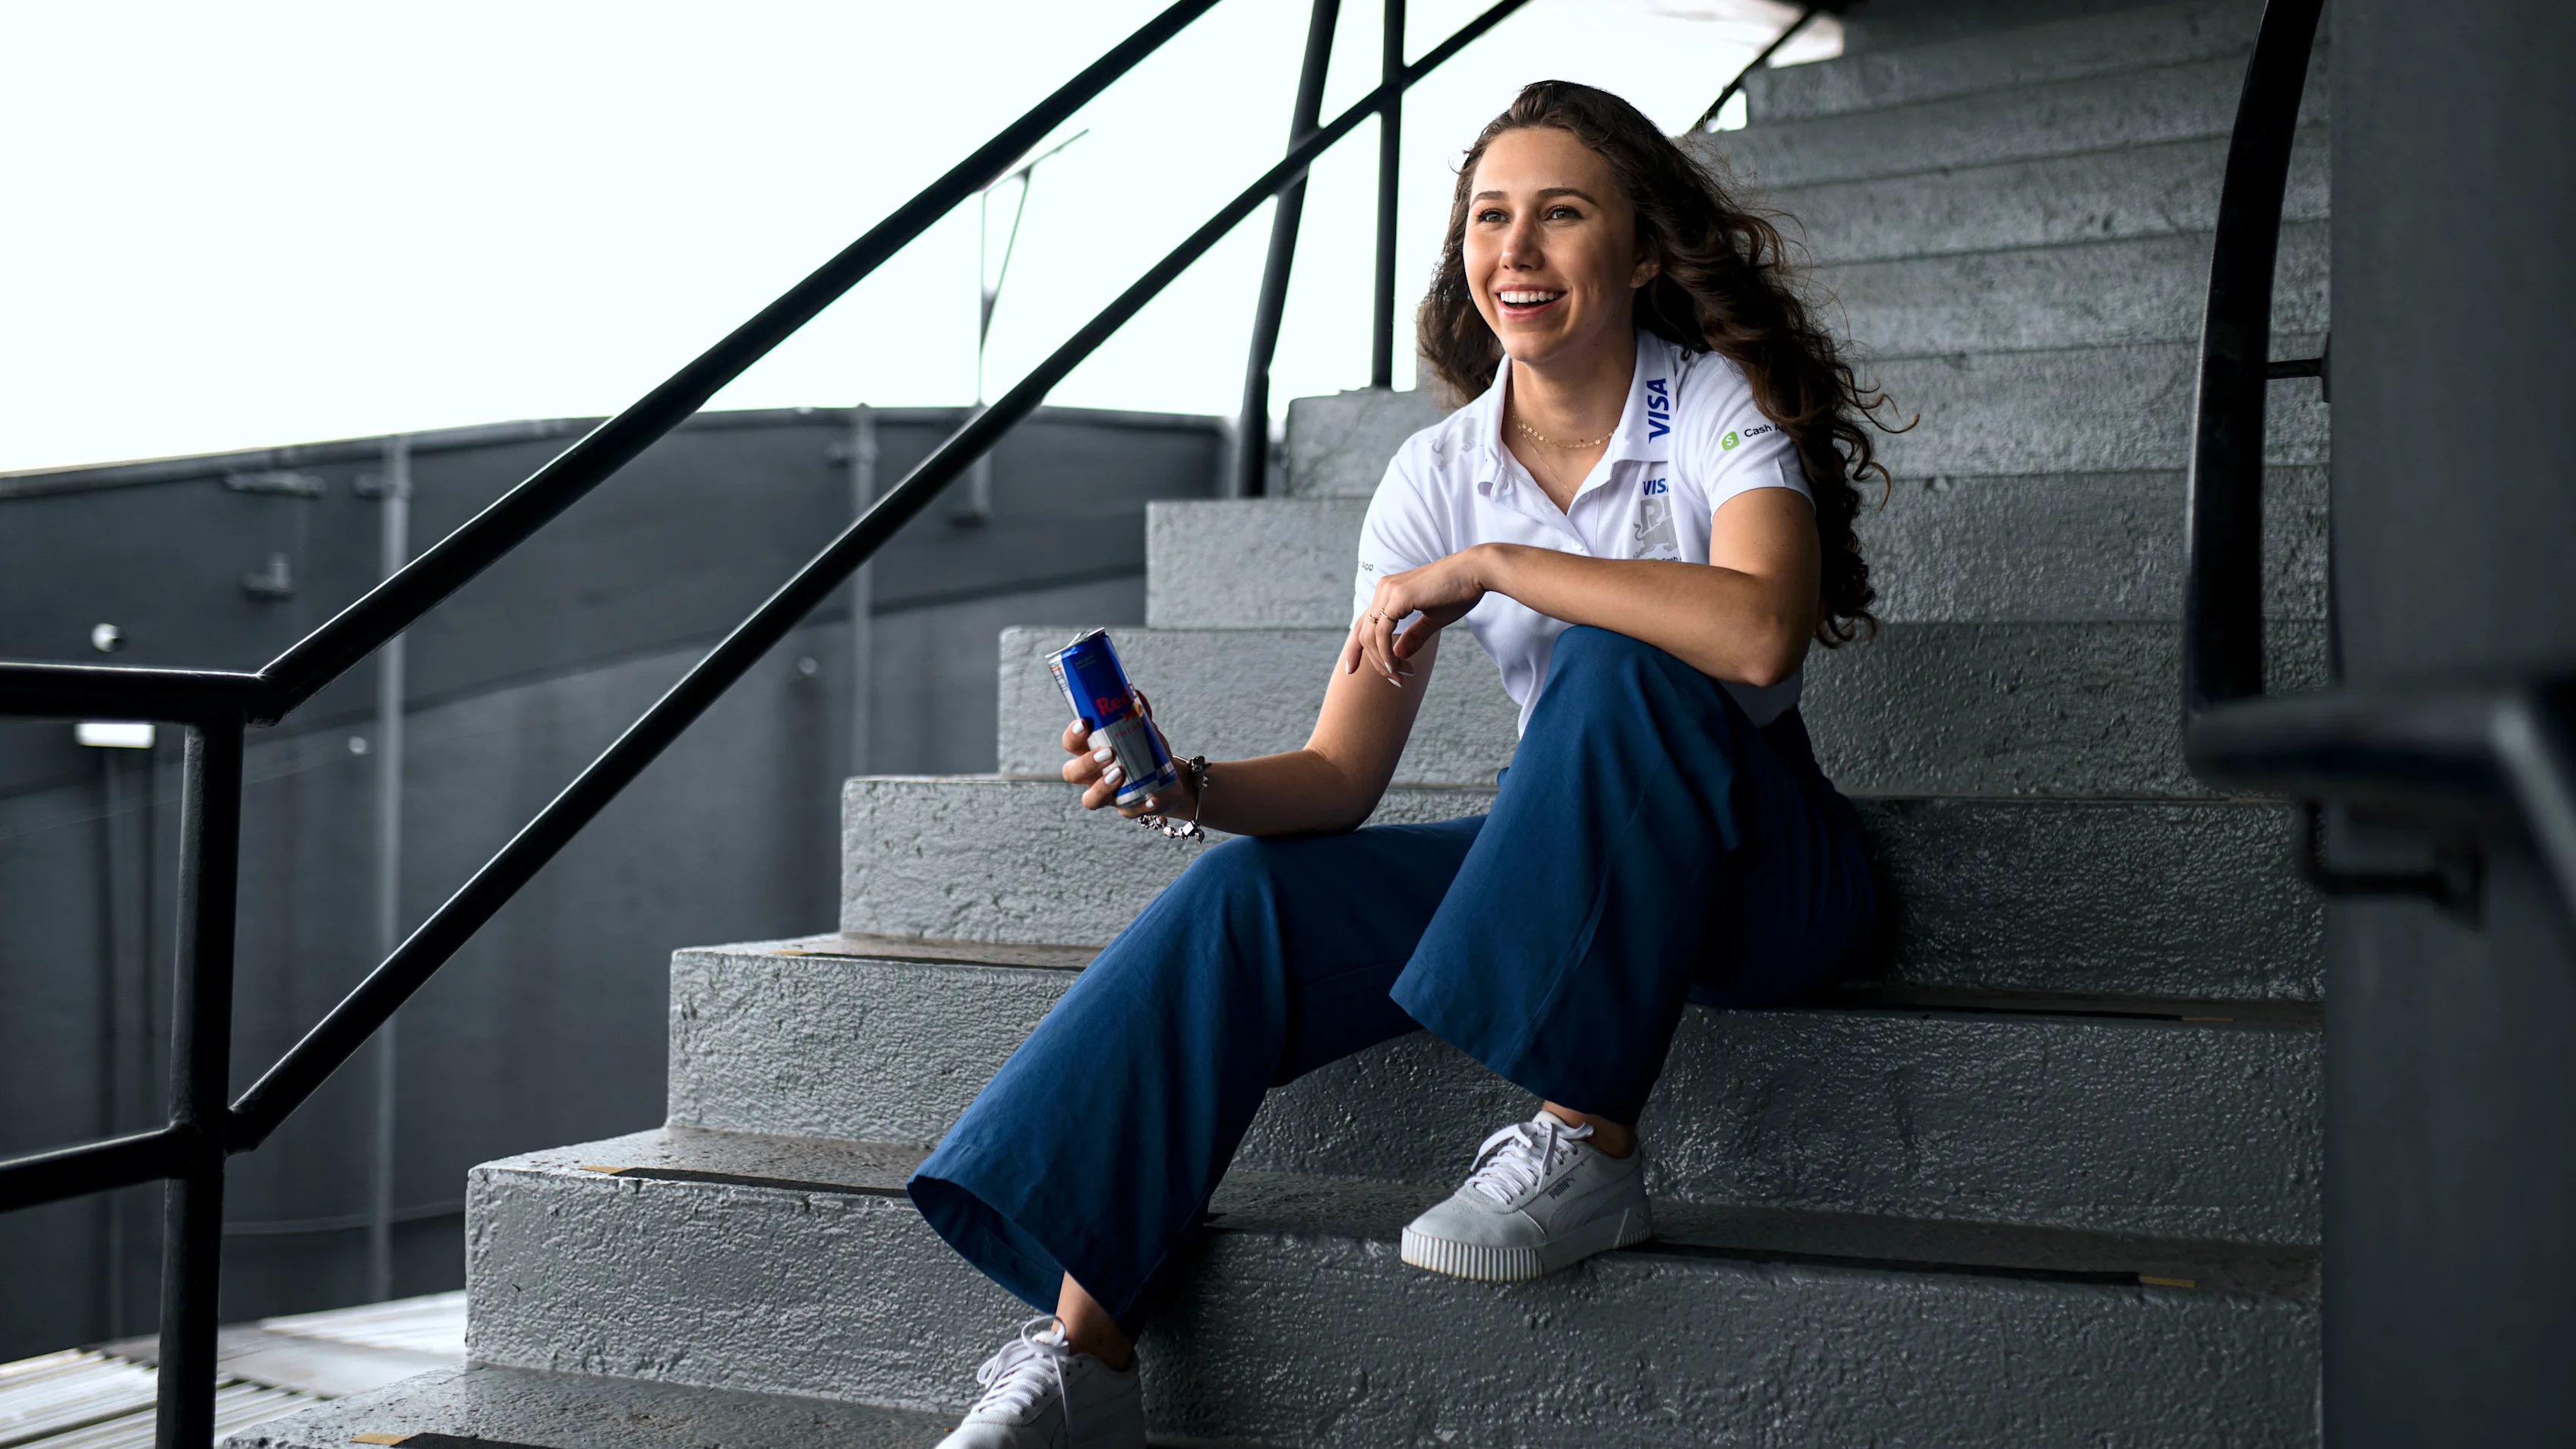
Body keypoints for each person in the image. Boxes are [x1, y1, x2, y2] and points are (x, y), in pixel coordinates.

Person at [913, 79, 1889, 1449]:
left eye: (1563, 214)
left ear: (1644, 250)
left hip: (1769, 878)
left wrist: (1502, 567)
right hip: (1580, 870)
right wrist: (1185, 784)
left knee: (1619, 660)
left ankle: (1588, 1139)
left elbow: (1762, 627)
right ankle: (1087, 1355)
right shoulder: (1435, 473)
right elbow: (1338, 778)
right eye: (1492, 218)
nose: (1518, 251)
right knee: (1241, 899)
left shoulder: (1711, 402)